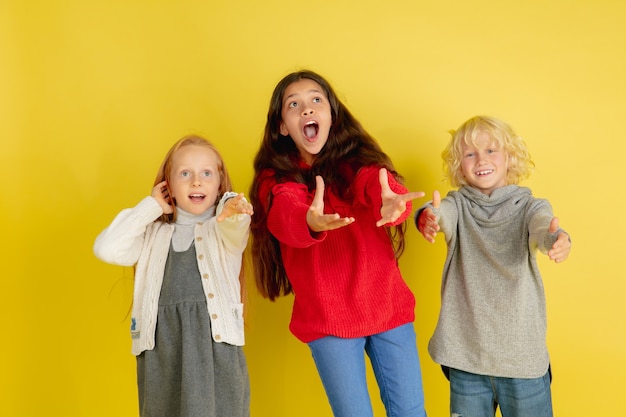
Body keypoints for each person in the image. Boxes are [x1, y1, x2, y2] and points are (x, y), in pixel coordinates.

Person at [248, 69, 428, 417]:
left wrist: (392, 201)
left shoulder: (356, 164)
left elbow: (375, 184)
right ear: (283, 126)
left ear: (332, 114)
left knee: (411, 412)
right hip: (328, 319)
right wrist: (308, 220)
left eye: (316, 100)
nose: (307, 109)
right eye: (294, 105)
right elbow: (284, 209)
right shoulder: (275, 179)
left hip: (387, 307)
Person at [415, 115, 572, 417]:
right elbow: (440, 213)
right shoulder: (457, 204)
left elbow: (543, 228)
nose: (480, 160)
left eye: (490, 150)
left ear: (510, 157)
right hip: (466, 362)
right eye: (469, 154)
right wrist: (428, 217)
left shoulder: (531, 207)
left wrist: (556, 239)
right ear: (459, 165)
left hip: (522, 362)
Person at [93, 135, 253, 417]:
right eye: (184, 173)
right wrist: (152, 207)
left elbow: (235, 223)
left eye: (206, 173)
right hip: (162, 352)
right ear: (168, 186)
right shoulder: (153, 234)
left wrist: (230, 206)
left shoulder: (224, 230)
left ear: (219, 184)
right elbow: (107, 248)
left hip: (214, 351)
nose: (196, 181)